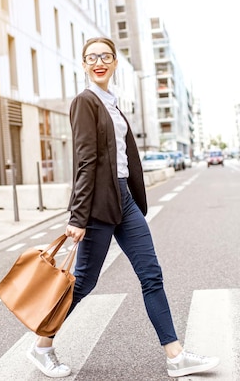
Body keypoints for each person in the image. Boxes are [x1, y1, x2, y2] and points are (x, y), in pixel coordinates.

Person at [26, 37, 220, 378]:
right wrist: (78, 215)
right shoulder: (85, 102)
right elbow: (86, 161)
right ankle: (41, 346)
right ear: (84, 65)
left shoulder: (112, 103)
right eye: (91, 57)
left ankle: (176, 356)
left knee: (151, 274)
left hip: (125, 200)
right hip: (99, 202)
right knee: (83, 282)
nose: (99, 61)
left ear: (114, 63)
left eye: (105, 56)